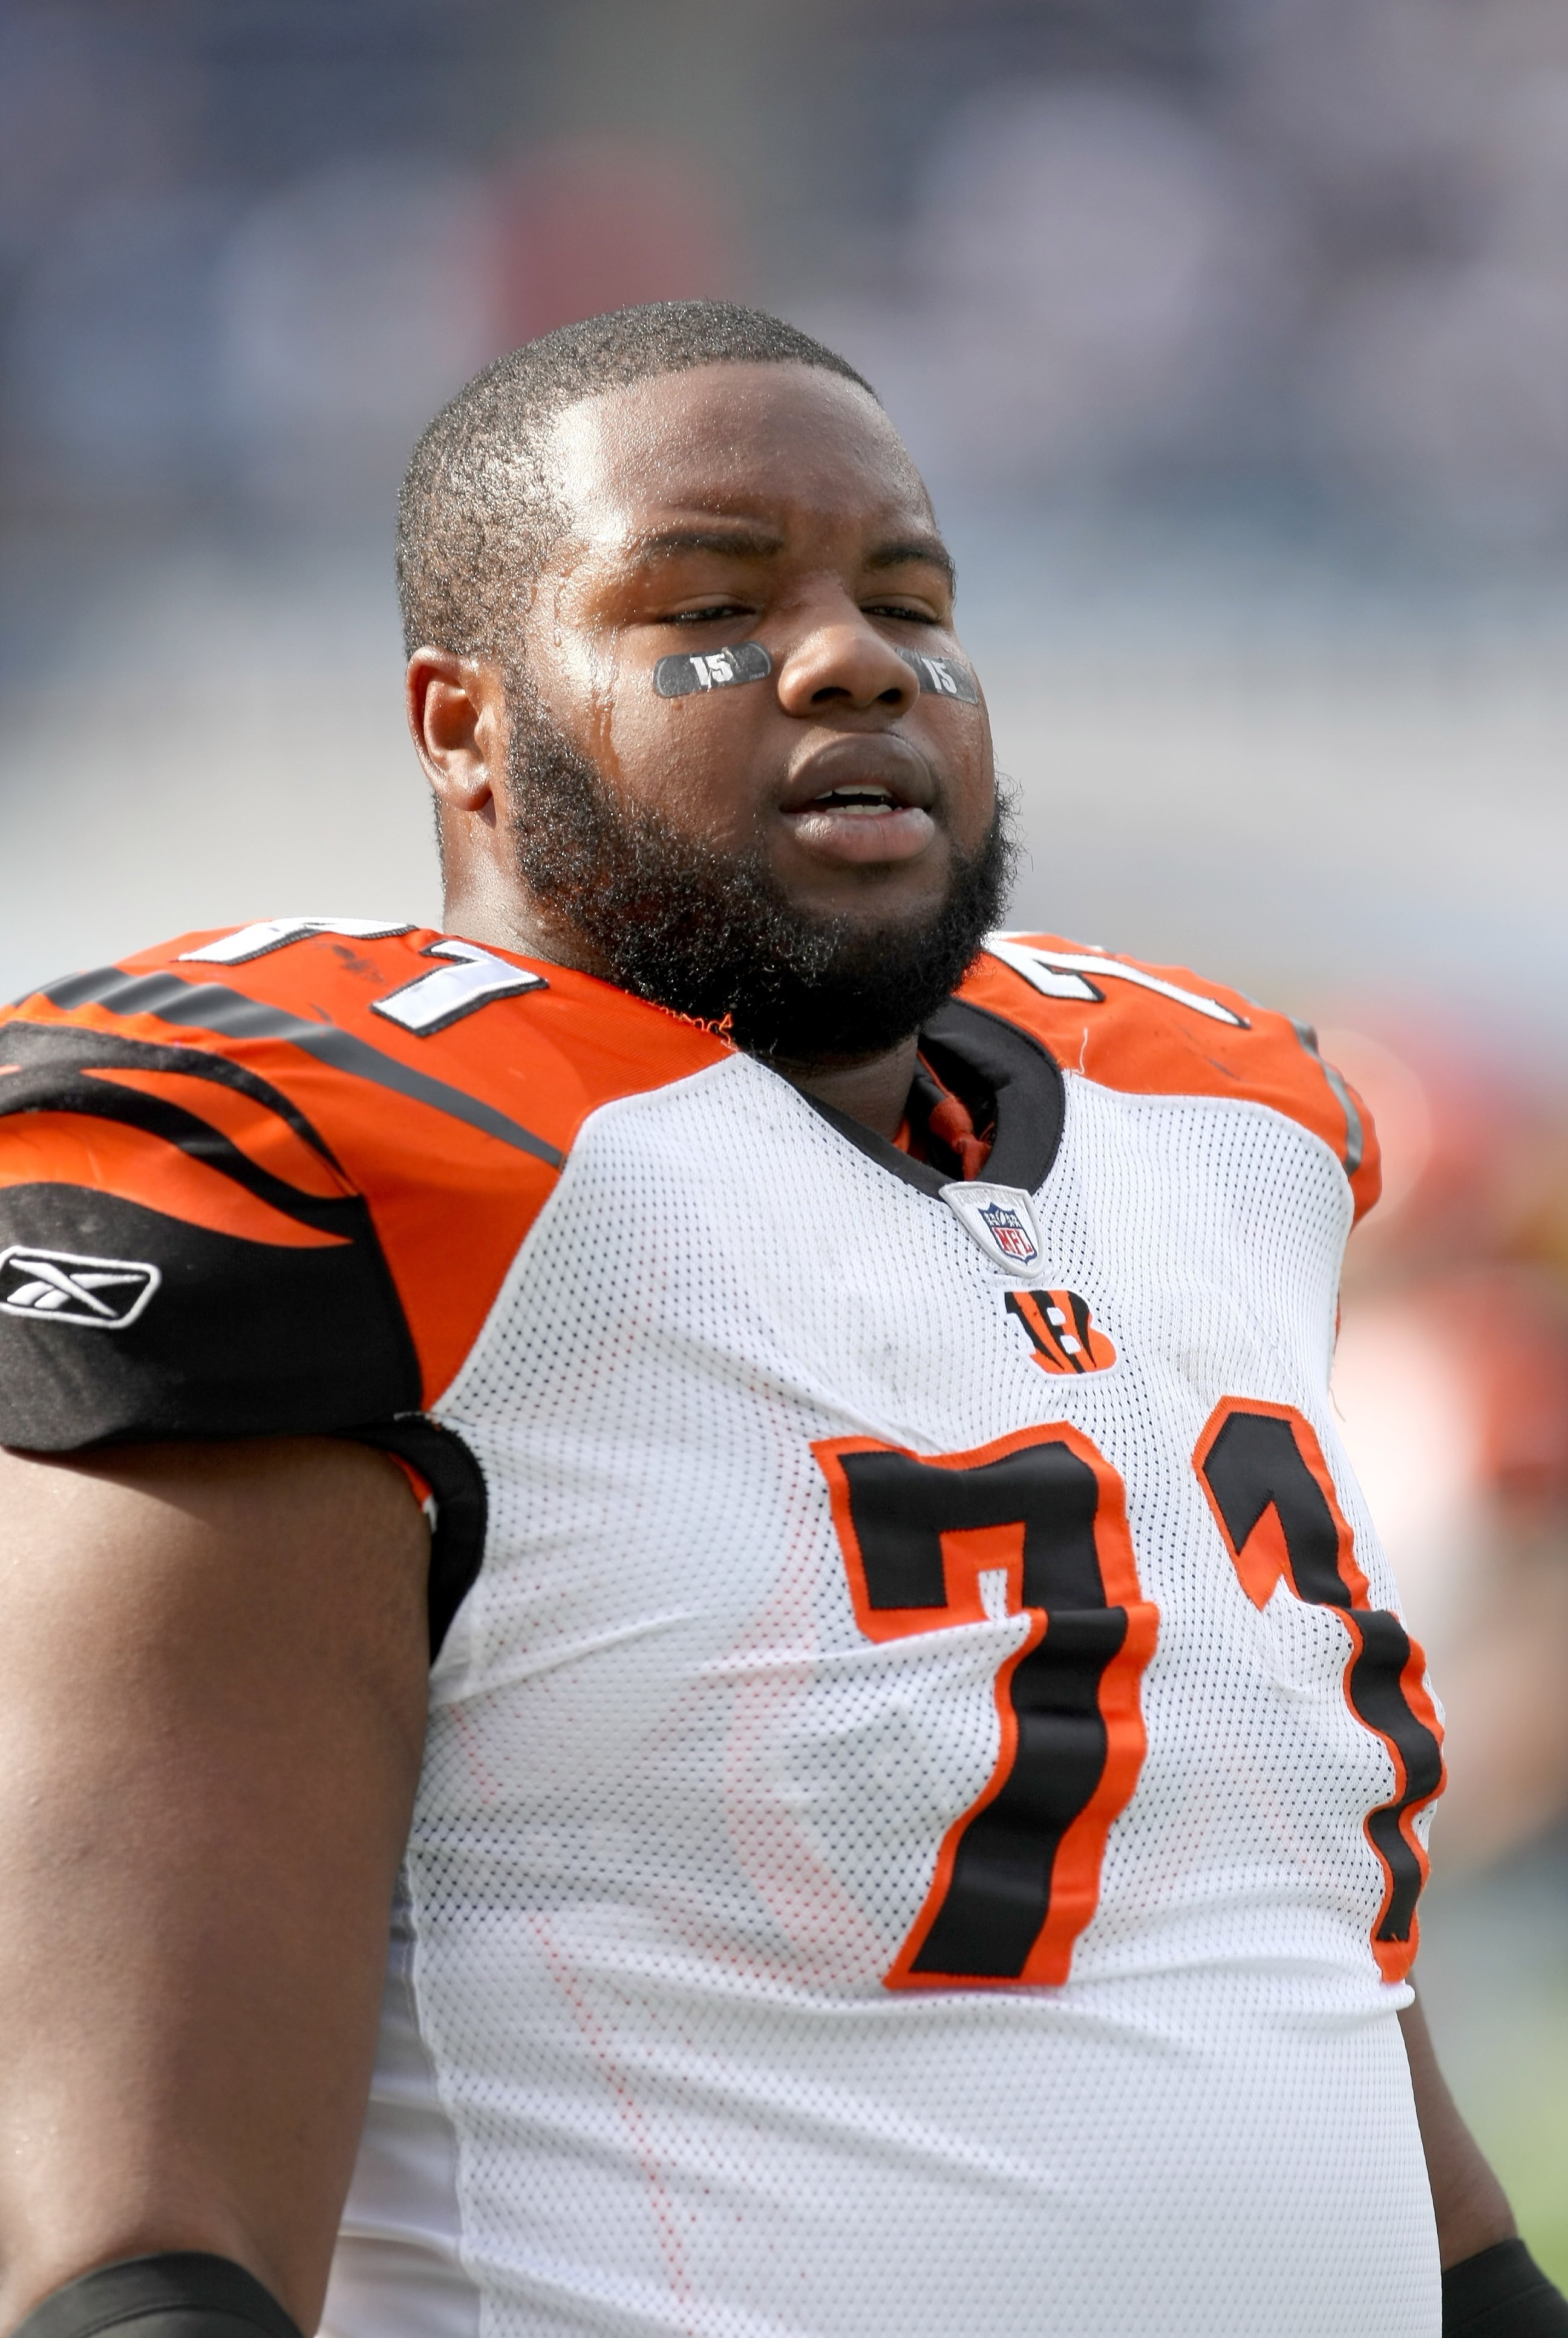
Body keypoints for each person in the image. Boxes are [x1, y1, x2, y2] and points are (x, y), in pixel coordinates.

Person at [0, 301, 1560, 2338]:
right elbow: (140, 2236)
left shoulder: (1218, 1137)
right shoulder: (362, 1172)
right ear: (465, 728)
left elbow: (1261, 1921)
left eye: (910, 594)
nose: (852, 656)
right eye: (708, 605)